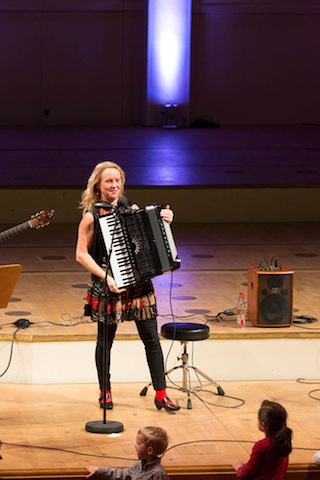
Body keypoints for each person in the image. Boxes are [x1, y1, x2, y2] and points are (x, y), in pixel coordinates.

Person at [76, 161, 180, 413]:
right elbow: (81, 255)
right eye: (108, 181)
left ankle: (161, 393)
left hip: (138, 284)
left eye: (117, 181)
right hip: (109, 283)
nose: (113, 185)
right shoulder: (91, 217)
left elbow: (149, 241)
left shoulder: (131, 209)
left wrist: (165, 220)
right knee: (105, 342)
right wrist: (106, 277)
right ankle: (105, 391)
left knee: (152, 340)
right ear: (98, 186)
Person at [232, 399, 293, 480]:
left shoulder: (262, 446)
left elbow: (246, 474)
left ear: (263, 424)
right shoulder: (284, 441)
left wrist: (239, 467)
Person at [86, 426, 169, 480]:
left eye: (138, 443)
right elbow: (122, 475)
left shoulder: (158, 475)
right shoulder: (139, 465)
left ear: (149, 450)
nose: (135, 446)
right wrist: (100, 470)